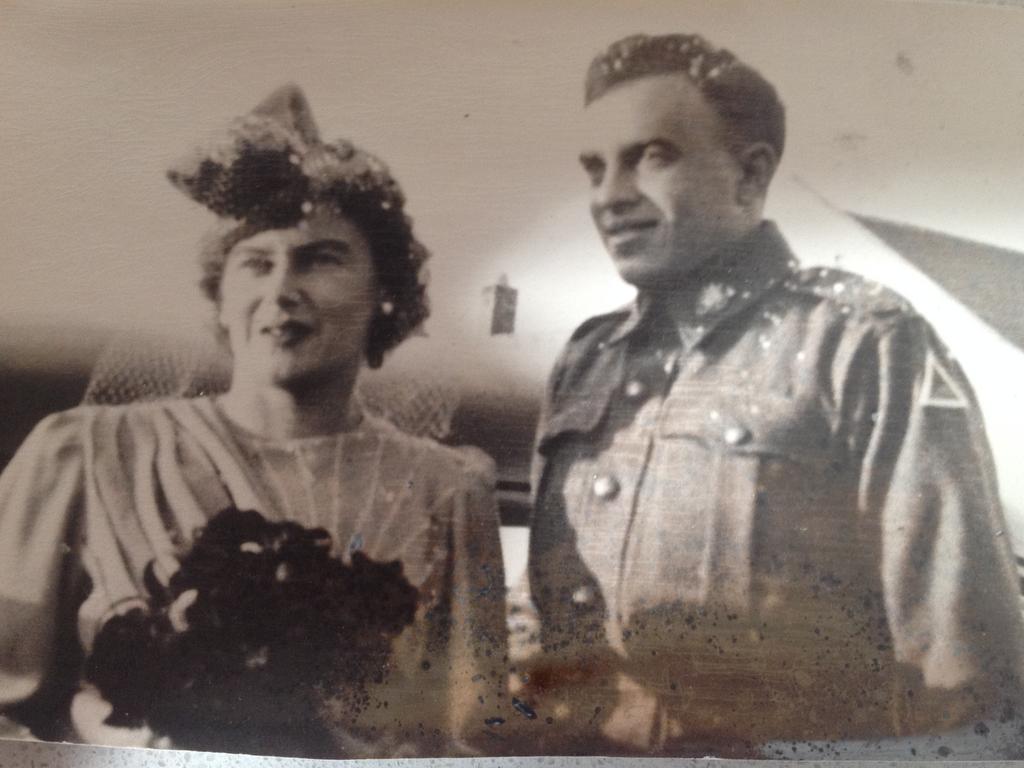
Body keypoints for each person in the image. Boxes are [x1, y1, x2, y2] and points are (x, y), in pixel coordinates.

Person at [523, 33, 1024, 756]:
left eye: (651, 157)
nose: (609, 198)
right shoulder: (586, 361)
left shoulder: (860, 342)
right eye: (595, 169)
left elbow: (969, 683)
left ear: (750, 175)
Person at [0, 84, 509, 758]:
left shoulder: (447, 491)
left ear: (385, 295)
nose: (280, 290)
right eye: (256, 262)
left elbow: (470, 740)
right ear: (222, 296)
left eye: (320, 258)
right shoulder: (88, 453)